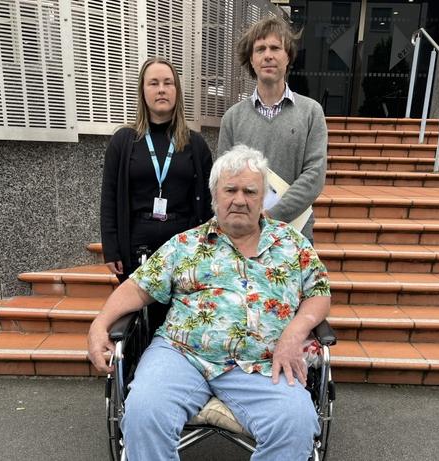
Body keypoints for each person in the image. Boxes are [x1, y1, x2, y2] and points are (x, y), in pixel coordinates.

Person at [89, 145, 330, 461]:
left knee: (296, 423)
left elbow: (319, 293)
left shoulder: (291, 243)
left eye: (250, 191)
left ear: (263, 199)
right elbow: (136, 288)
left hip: (263, 360)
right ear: (215, 196)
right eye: (230, 189)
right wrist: (99, 324)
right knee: (144, 411)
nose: (239, 199)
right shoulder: (186, 244)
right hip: (182, 355)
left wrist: (295, 333)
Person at [100, 56, 213, 331]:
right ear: (143, 91)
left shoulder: (195, 144)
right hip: (136, 245)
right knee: (141, 320)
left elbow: (210, 201)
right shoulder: (124, 141)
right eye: (153, 83)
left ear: (176, 92)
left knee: (179, 318)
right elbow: (109, 197)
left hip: (184, 245)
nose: (161, 89)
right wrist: (111, 248)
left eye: (168, 83)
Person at [218, 16, 328, 243]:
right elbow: (224, 180)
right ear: (252, 59)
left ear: (288, 56)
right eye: (260, 49)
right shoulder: (232, 118)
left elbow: (314, 177)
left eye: (275, 48)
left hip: (294, 233)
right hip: (244, 236)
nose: (268, 55)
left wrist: (269, 217)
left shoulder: (311, 113)